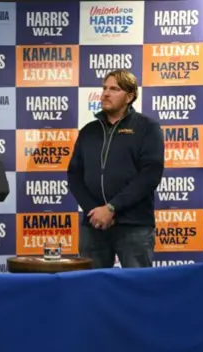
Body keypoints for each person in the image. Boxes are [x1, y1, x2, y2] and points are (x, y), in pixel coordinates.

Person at [67, 69, 165, 269]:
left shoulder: (147, 128)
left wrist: (112, 208)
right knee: (92, 289)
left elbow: (150, 174)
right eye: (104, 88)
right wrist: (93, 212)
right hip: (93, 224)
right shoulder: (89, 131)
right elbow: (74, 174)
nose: (106, 93)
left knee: (137, 289)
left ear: (129, 96)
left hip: (134, 224)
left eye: (114, 89)